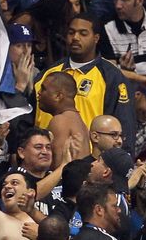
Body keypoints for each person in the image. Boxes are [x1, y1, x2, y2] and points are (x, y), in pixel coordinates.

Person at [34, 13, 136, 154]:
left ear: (96, 38)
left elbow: (125, 127)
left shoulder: (112, 77)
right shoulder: (48, 74)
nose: (75, 37)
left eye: (83, 33)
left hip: (89, 166)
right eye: (71, 32)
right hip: (44, 160)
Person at [100, 0, 146, 76]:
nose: (118, 5)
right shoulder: (106, 27)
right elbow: (108, 72)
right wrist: (124, 70)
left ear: (140, 0)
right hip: (127, 86)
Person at [37, 71, 91, 166]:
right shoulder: (79, 121)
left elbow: (58, 168)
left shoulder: (60, 121)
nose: (39, 92)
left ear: (58, 96)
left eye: (43, 89)